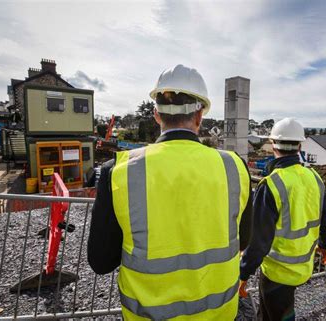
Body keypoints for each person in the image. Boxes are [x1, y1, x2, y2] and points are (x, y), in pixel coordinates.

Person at [87, 64, 252, 320]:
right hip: (218, 313)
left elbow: (101, 262)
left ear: (156, 115)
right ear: (199, 117)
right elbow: (245, 239)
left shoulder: (119, 171)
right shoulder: (234, 167)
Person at [239, 118, 326, 321]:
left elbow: (259, 241)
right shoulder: (314, 177)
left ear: (273, 145)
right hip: (303, 267)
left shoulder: (272, 184)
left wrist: (243, 274)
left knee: (279, 316)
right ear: (299, 146)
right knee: (268, 313)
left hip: (277, 272)